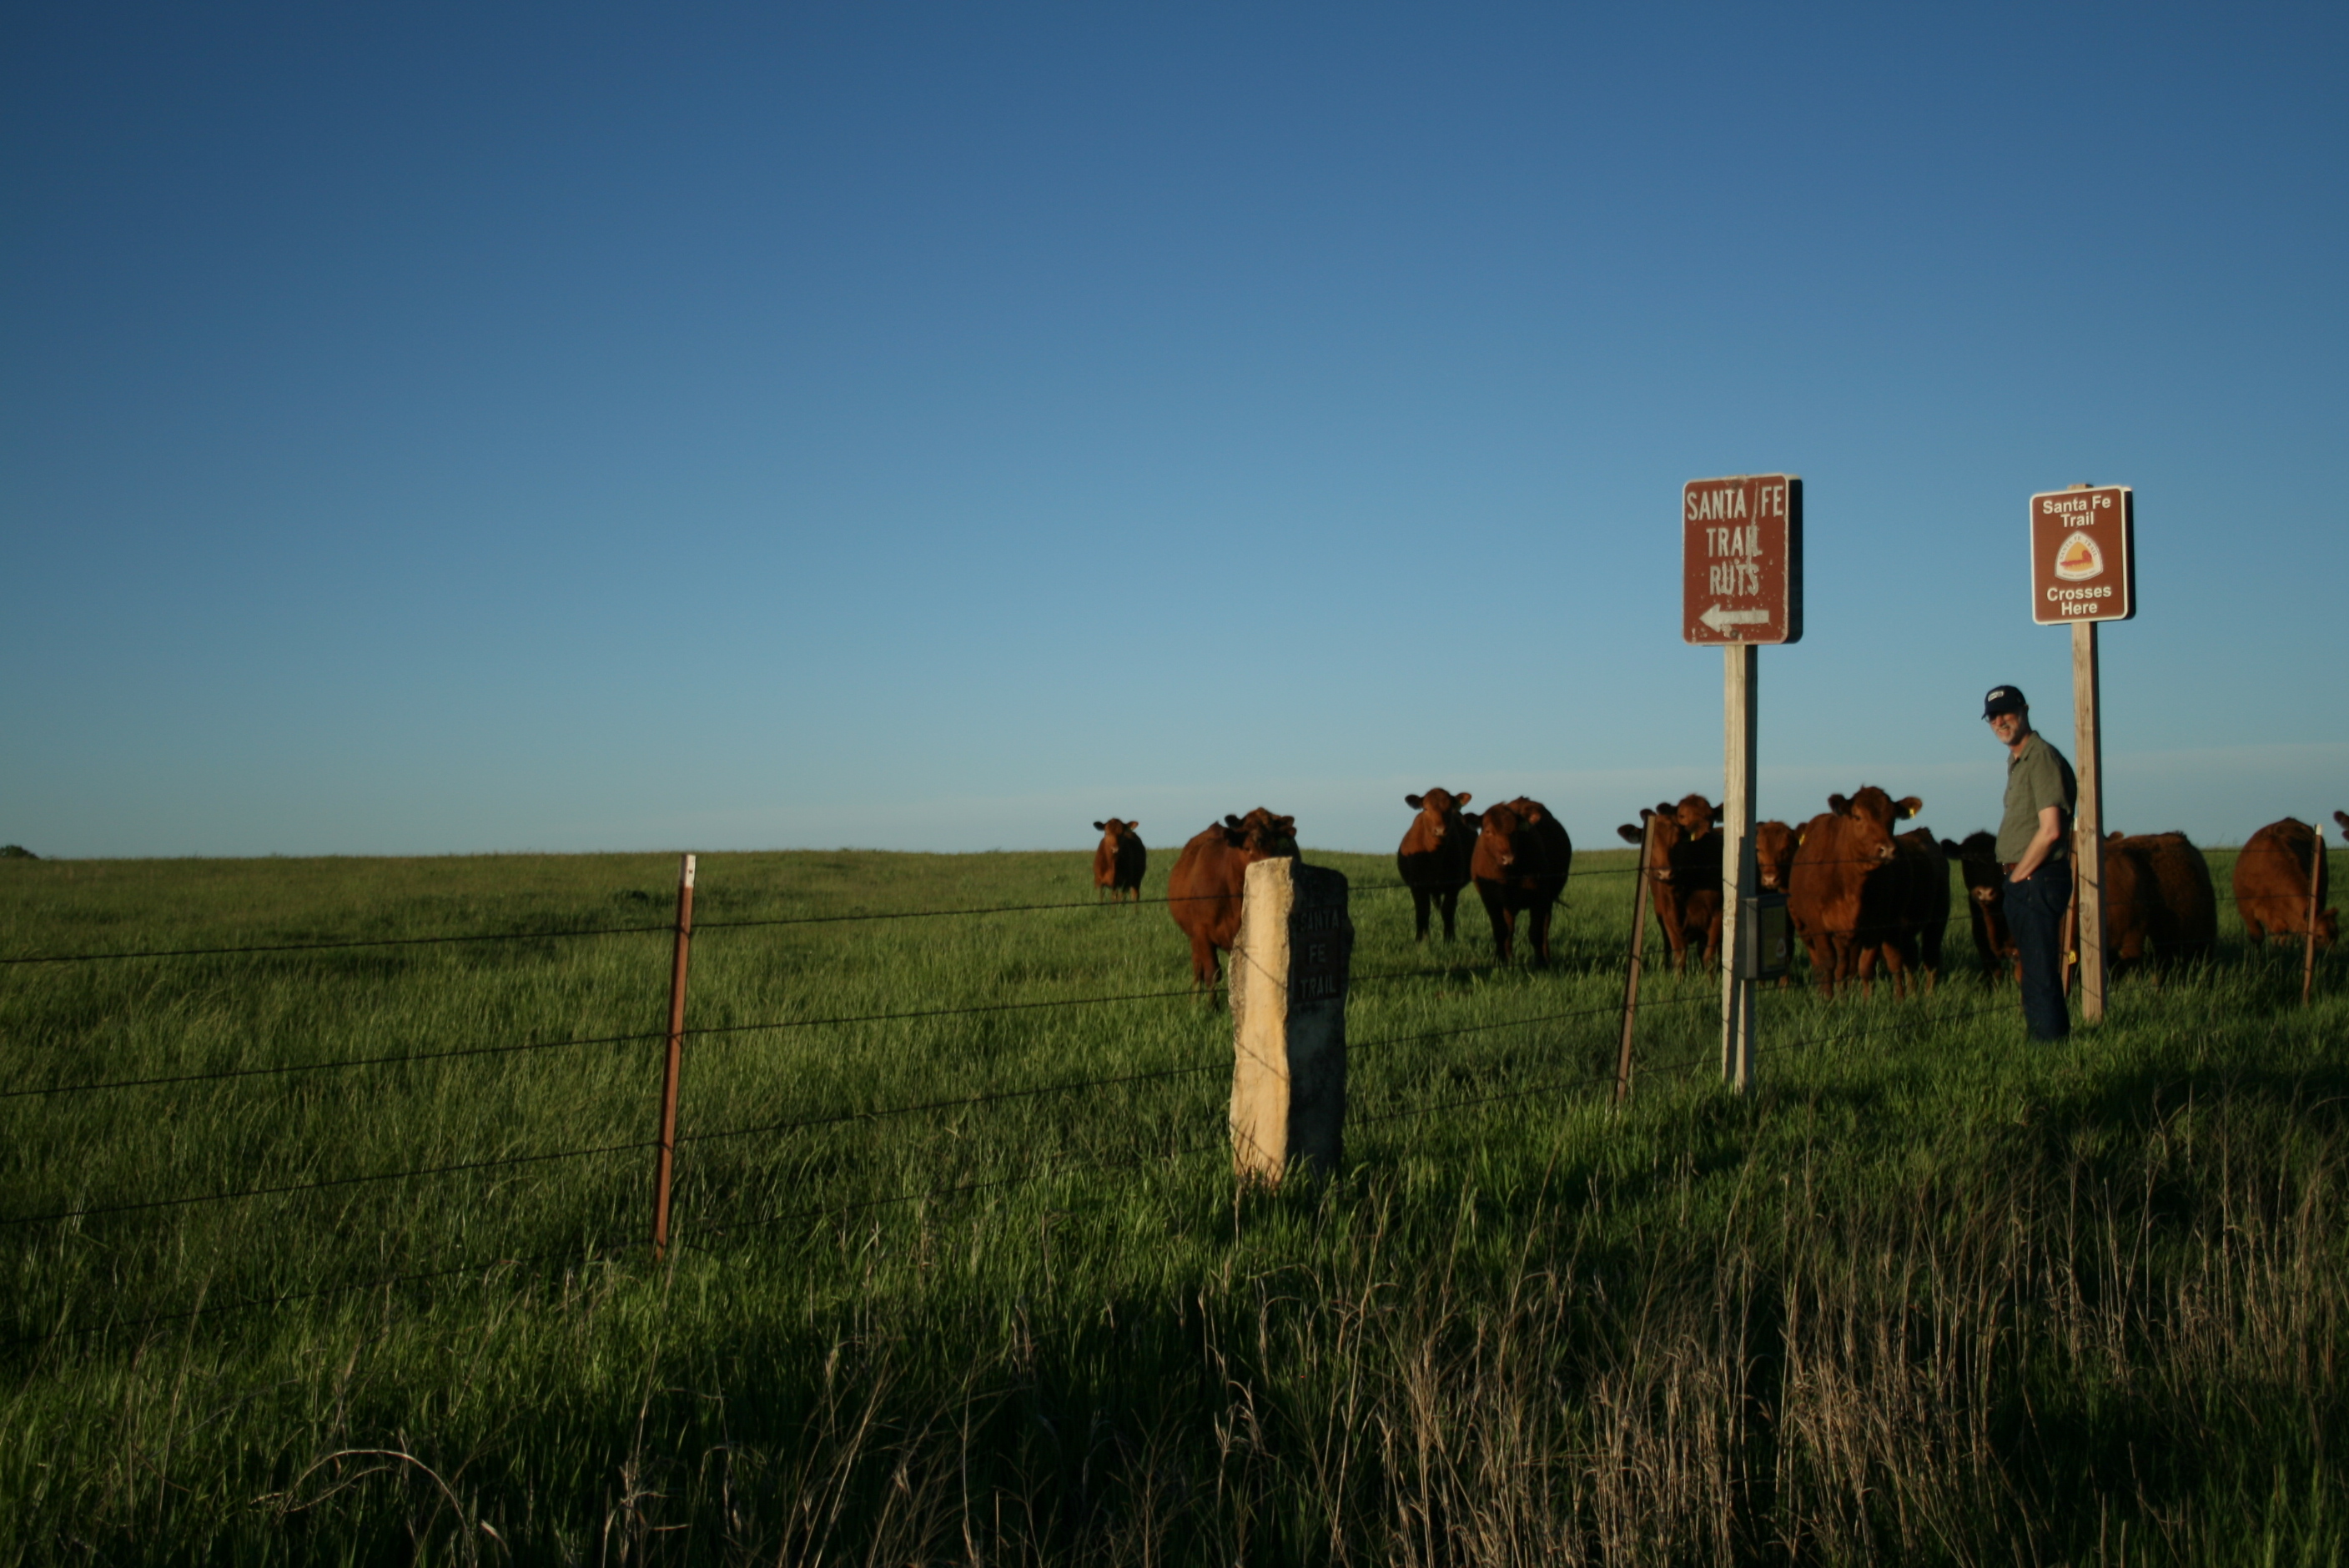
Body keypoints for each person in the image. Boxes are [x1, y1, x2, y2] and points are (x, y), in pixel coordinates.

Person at [1984, 685, 2076, 1040]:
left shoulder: (2041, 758)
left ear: (2024, 710)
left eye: (2007, 712)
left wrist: (2018, 876)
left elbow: (2051, 830)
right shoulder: (2019, 760)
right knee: (2034, 972)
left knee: (2038, 973)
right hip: (2027, 880)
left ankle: (2049, 1050)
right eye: (1993, 716)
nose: (2000, 721)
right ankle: (2047, 1045)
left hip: (2036, 879)